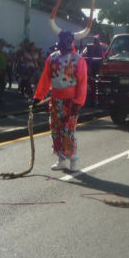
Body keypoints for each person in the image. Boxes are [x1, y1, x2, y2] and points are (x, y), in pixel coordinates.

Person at [33, 30, 88, 171]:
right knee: (56, 130)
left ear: (71, 41)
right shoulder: (52, 58)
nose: (64, 44)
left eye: (67, 40)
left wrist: (78, 102)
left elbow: (82, 82)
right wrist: (38, 97)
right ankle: (61, 158)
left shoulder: (78, 59)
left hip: (71, 101)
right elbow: (45, 79)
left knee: (69, 130)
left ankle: (73, 159)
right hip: (56, 100)